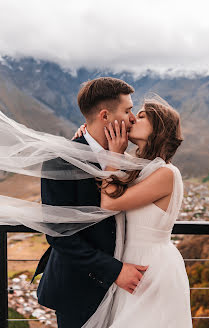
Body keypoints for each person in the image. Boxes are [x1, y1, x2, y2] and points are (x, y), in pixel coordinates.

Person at [33, 77, 149, 328]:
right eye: (128, 110)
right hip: (78, 290)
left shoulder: (128, 159)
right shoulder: (61, 161)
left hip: (128, 290)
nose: (132, 118)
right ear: (105, 116)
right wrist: (115, 270)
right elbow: (60, 234)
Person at [74, 98, 193, 327]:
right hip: (130, 264)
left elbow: (109, 203)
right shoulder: (140, 166)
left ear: (157, 128)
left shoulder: (166, 173)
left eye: (140, 116)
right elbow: (107, 159)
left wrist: (115, 154)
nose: (131, 119)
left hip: (151, 268)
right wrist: (88, 137)